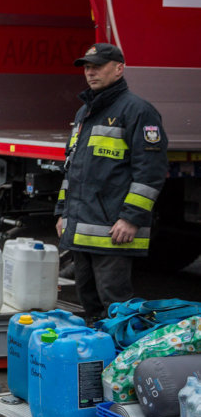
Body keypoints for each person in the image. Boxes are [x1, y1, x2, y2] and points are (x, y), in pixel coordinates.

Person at [55, 43, 168, 323]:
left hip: (114, 230)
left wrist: (131, 219)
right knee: (89, 303)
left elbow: (150, 172)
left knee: (116, 306)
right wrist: (63, 213)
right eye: (87, 67)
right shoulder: (84, 113)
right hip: (81, 227)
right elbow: (73, 169)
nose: (90, 72)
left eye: (98, 66)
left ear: (119, 69)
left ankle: (120, 363)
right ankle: (98, 360)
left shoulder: (139, 111)